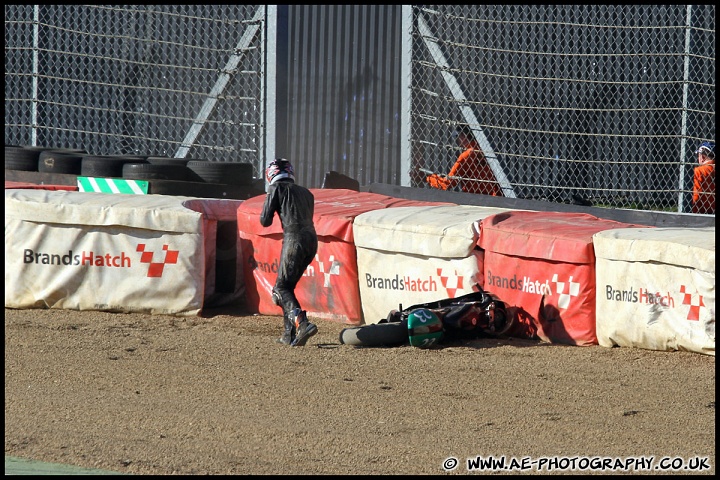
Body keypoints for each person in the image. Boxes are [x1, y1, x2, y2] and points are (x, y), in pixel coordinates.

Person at [260, 158, 319, 346]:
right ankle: (289, 334)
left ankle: (302, 323)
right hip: (312, 241)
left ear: (271, 174)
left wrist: (269, 198)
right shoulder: (307, 193)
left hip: (294, 239)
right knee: (287, 287)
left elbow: (264, 221)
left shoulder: (276, 189)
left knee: (280, 289)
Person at [426, 124, 503, 196]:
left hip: (473, 198)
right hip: (493, 196)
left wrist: (428, 178)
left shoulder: (466, 155)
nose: (458, 140)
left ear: (464, 136)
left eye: (458, 136)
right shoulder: (487, 151)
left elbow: (448, 183)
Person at [692, 141, 715, 214]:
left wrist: (694, 212)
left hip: (703, 211)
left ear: (702, 157)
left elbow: (697, 195)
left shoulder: (699, 171)